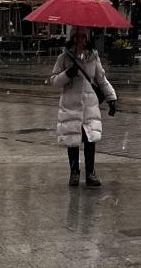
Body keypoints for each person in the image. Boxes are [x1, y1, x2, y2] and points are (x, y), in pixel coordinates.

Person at [49, 27, 117, 188]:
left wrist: (111, 98)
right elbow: (53, 81)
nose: (81, 40)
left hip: (89, 105)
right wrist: (67, 74)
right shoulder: (64, 58)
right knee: (73, 139)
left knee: (90, 139)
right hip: (70, 104)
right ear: (72, 38)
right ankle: (74, 172)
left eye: (83, 37)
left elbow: (101, 79)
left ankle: (91, 173)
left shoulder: (93, 57)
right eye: (78, 36)